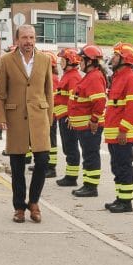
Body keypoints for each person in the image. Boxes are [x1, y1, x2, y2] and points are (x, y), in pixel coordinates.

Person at [0, 24, 54, 223]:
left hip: (39, 118)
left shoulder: (45, 60)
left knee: (43, 161)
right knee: (17, 165)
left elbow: (48, 92)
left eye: (32, 37)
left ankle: (34, 202)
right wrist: (1, 117)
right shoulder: (6, 60)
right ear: (17, 40)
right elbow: (0, 93)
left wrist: (49, 118)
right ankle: (19, 207)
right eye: (25, 38)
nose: (29, 42)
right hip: (16, 118)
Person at [102, 42, 133, 213]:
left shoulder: (130, 78)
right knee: (117, 167)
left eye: (116, 55)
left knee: (124, 167)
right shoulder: (118, 77)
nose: (113, 58)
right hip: (114, 133)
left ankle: (126, 202)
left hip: (121, 134)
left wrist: (124, 130)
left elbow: (132, 108)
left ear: (124, 59)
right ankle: (120, 198)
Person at [67, 45, 107, 198]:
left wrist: (94, 119)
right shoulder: (90, 76)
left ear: (90, 61)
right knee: (89, 155)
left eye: (82, 59)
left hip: (89, 126)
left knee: (90, 155)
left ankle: (91, 186)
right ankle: (88, 184)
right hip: (84, 125)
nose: (80, 62)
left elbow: (99, 101)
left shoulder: (94, 77)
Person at [54, 48, 83, 187]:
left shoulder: (73, 77)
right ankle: (70, 175)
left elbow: (74, 99)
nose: (60, 63)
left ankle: (72, 177)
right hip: (63, 117)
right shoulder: (68, 75)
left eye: (63, 60)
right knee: (67, 147)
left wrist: (72, 117)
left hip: (68, 118)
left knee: (71, 147)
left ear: (70, 61)